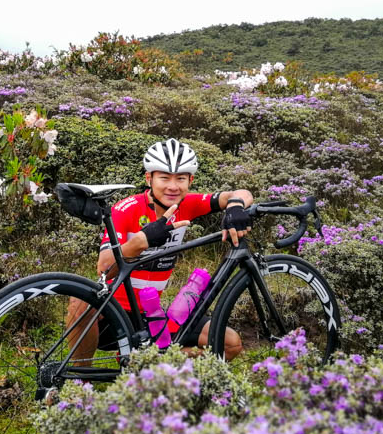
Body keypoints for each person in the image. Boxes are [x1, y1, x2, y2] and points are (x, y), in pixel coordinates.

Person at [65, 138, 252, 361]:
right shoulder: (126, 209)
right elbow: (104, 269)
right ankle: (78, 382)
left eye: (181, 178)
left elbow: (240, 193)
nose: (173, 186)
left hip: (152, 314)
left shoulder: (187, 205)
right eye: (164, 177)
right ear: (149, 178)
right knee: (81, 301)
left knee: (230, 344)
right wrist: (143, 240)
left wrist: (235, 205)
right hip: (116, 315)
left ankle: (152, 363)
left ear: (190, 180)